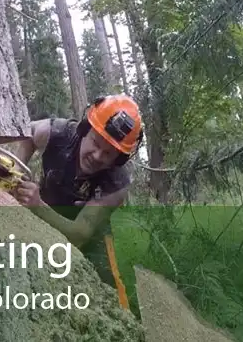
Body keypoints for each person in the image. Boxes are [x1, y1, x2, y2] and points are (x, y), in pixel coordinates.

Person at [11, 94, 144, 310]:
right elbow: (29, 133)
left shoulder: (116, 183)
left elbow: (81, 234)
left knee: (111, 289)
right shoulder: (59, 132)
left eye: (109, 153)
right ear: (84, 130)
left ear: (119, 159)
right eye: (95, 143)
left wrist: (37, 206)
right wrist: (17, 170)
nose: (98, 156)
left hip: (90, 235)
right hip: (47, 211)